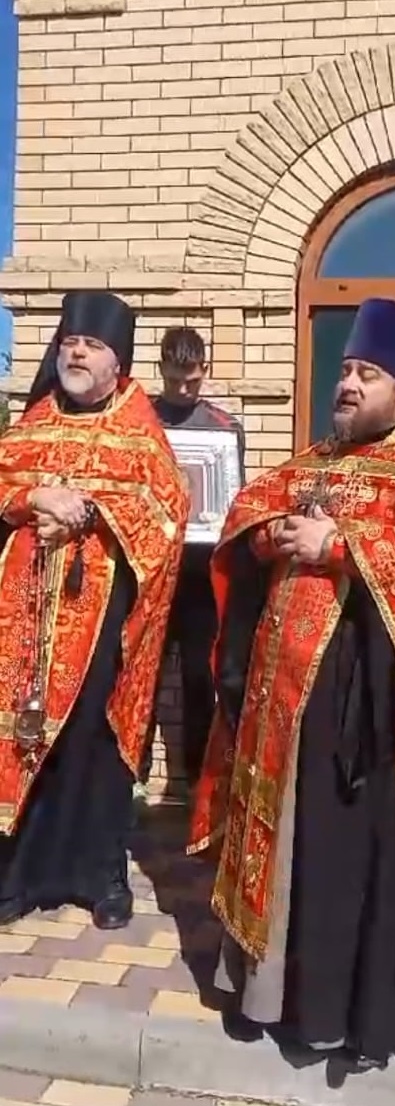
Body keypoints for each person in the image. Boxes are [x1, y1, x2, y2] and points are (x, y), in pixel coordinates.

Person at [189, 298, 395, 1070]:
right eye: (347, 370)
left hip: (369, 713)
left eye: (369, 375)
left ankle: (346, 1014)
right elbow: (251, 510)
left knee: (346, 859)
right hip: (283, 704)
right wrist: (273, 534)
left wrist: (343, 545)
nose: (349, 384)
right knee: (288, 848)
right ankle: (272, 996)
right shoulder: (317, 461)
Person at [0, 291, 189, 929]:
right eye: (70, 342)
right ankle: (19, 874)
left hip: (105, 616)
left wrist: (90, 512)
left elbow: (167, 507)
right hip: (23, 615)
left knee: (95, 739)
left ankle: (100, 876)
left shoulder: (139, 430)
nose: (76, 353)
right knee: (25, 737)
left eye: (93, 345)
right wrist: (35, 498)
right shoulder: (34, 421)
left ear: (118, 362)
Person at [140, 326, 245, 791]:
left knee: (202, 675)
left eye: (192, 381)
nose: (183, 390)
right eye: (174, 380)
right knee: (140, 673)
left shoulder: (223, 427)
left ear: (205, 370)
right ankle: (133, 774)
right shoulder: (140, 420)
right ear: (161, 368)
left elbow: (234, 499)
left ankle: (196, 783)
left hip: (201, 574)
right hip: (149, 570)